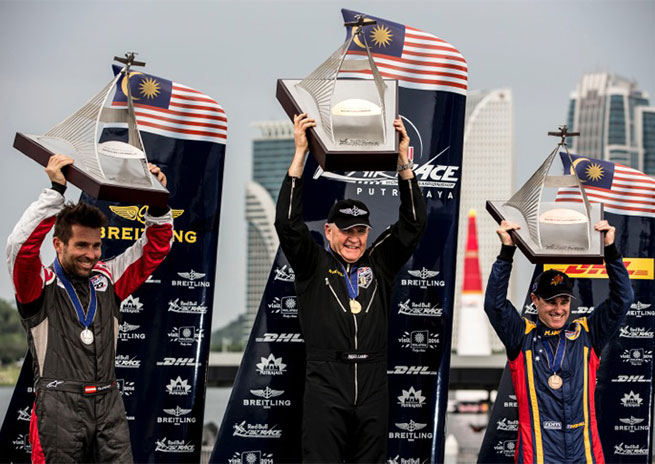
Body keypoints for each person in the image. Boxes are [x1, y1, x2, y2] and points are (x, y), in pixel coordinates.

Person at [274, 113, 427, 462]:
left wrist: (403, 162)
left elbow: (414, 223)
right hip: (326, 381)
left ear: (368, 234)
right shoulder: (313, 264)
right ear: (329, 232)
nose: (353, 239)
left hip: (373, 380)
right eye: (346, 230)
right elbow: (287, 223)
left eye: (360, 231)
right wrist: (300, 153)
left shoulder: (380, 262)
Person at [6, 154, 174, 463]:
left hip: (108, 404)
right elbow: (19, 248)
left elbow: (155, 248)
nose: (91, 254)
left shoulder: (108, 278)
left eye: (96, 246)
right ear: (58, 244)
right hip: (59, 407)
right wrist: (55, 192)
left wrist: (157, 202)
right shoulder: (38, 285)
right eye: (81, 246)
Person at [484, 219, 634, 464]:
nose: (558, 309)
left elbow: (623, 299)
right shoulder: (521, 336)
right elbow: (495, 305)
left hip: (585, 455)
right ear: (535, 300)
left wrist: (611, 251)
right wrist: (506, 252)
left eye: (564, 302)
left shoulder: (587, 333)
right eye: (551, 301)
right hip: (539, 457)